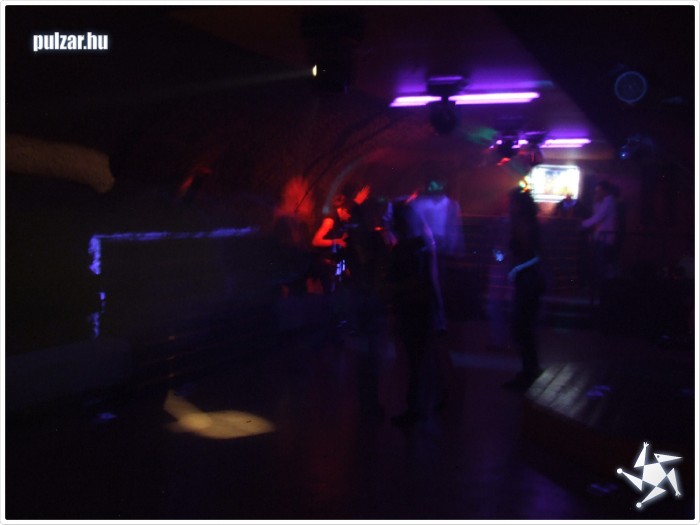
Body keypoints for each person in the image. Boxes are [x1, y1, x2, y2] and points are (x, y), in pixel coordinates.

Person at [387, 200, 447, 425]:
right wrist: (438, 308)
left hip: (409, 308)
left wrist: (392, 306)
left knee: (413, 360)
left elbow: (396, 283)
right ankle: (434, 400)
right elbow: (433, 278)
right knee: (424, 357)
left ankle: (415, 410)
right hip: (424, 306)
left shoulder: (400, 250)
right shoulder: (425, 244)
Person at [502, 187, 546, 391]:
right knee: (524, 328)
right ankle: (530, 370)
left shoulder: (524, 224)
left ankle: (529, 372)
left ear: (518, 205)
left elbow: (535, 256)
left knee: (523, 328)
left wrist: (516, 269)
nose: (508, 206)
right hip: (530, 280)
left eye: (511, 202)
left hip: (529, 281)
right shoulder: (527, 223)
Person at [581, 180, 619, 298]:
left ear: (604, 190)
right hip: (603, 238)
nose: (596, 193)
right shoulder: (606, 202)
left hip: (604, 238)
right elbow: (598, 214)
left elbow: (598, 217)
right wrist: (596, 202)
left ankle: (601, 292)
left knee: (600, 265)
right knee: (600, 264)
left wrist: (582, 224)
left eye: (598, 191)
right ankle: (600, 291)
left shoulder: (608, 201)